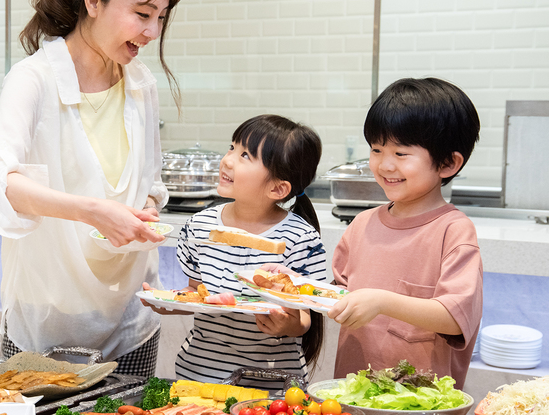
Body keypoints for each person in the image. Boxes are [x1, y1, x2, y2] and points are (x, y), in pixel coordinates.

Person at [0, 0, 183, 377]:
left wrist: (144, 211)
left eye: (161, 17)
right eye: (142, 14)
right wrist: (93, 212)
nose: (152, 31)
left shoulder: (141, 84)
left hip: (130, 322)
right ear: (93, 0)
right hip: (45, 323)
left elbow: (151, 183)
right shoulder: (33, 79)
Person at [144, 114, 327, 390]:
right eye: (232, 147)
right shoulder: (200, 225)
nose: (227, 160)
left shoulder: (301, 239)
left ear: (278, 188)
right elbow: (198, 293)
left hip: (271, 387)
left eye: (245, 155)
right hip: (200, 375)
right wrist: (167, 303)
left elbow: (303, 320)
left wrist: (284, 325)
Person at [327, 77, 483, 388]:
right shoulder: (361, 225)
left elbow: (455, 317)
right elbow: (337, 295)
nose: (384, 165)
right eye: (376, 149)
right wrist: (293, 286)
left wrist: (383, 302)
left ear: (448, 163)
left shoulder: (453, 231)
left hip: (419, 402)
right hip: (350, 394)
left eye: (401, 154)